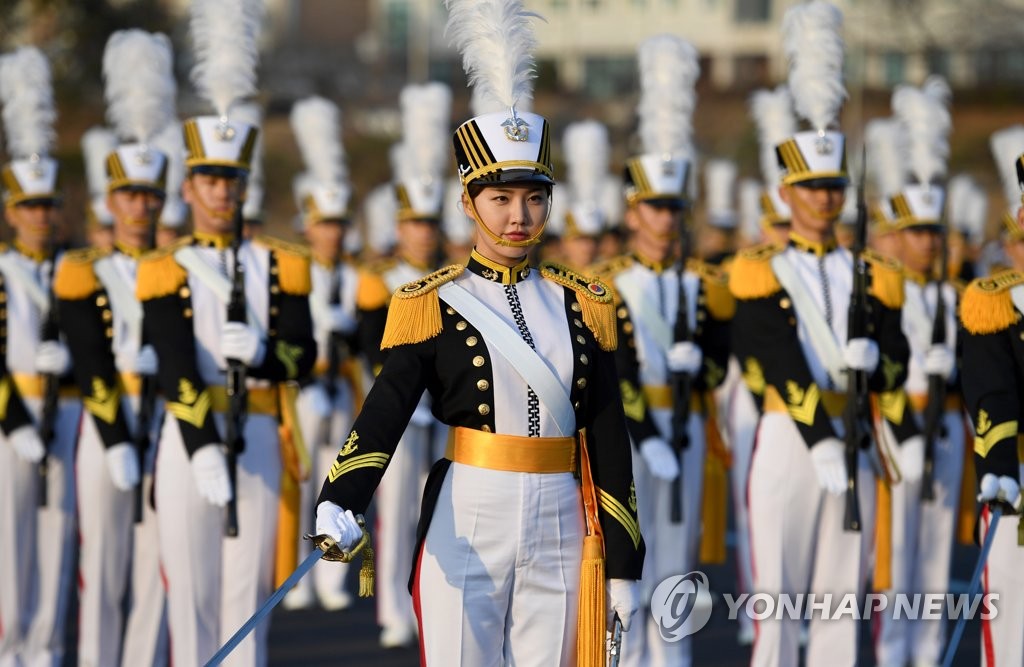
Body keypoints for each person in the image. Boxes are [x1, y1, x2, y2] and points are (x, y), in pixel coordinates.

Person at [314, 1, 643, 663]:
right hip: (468, 512)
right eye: (500, 198)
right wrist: (340, 495)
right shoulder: (432, 302)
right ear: (468, 202)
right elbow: (389, 406)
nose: (519, 215)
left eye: (533, 197)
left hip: (561, 516)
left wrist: (625, 559)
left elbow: (608, 430)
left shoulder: (585, 303)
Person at [728, 3, 913, 665]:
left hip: (856, 433)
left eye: (833, 186)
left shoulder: (875, 271)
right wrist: (820, 437)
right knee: (776, 593)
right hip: (791, 432)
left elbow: (897, 353)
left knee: (843, 592)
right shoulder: (756, 269)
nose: (825, 199)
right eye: (811, 188)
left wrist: (881, 364)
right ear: (786, 193)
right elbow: (769, 352)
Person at [137, 2, 316, 663]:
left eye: (231, 179)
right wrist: (202, 443)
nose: (221, 191)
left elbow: (305, 354)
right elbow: (172, 360)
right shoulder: (163, 268)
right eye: (210, 178)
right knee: (191, 593)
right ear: (189, 185)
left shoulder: (282, 261)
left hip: (263, 429)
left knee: (249, 595)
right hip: (192, 438)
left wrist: (268, 355)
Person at [592, 33, 732, 667]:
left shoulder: (704, 283)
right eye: (656, 207)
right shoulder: (605, 282)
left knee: (676, 551)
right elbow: (603, 367)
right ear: (633, 210)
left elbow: (723, 359)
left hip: (687, 423)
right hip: (627, 428)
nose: (667, 220)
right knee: (626, 548)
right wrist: (642, 429)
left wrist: (697, 364)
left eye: (675, 207)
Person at [55, 30, 175, 667]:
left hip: (164, 422)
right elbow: (88, 355)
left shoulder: (175, 265)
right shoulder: (82, 268)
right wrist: (115, 435)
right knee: (100, 566)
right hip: (105, 425)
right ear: (110, 200)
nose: (139, 206)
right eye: (129, 195)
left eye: (150, 196)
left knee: (159, 564)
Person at [871, 78, 962, 667]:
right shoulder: (883, 293)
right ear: (897, 236)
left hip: (947, 428)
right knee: (898, 549)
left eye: (933, 232)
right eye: (916, 233)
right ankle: (893, 652)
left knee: (935, 555)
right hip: (899, 427)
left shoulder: (959, 297)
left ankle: (927, 653)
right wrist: (905, 415)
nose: (927, 243)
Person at [0, 46, 83, 667]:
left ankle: (49, 644)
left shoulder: (72, 271)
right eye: (29, 207)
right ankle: (11, 646)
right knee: (10, 539)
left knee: (58, 535)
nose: (39, 217)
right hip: (12, 419)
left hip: (69, 408)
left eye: (47, 207)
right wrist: (14, 420)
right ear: (11, 212)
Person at [283, 95, 378, 613]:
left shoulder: (355, 274)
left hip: (340, 385)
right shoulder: (295, 271)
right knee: (300, 479)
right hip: (302, 390)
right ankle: (295, 574)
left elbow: (370, 339)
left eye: (339, 223)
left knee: (334, 480)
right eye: (325, 223)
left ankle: (330, 575)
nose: (332, 232)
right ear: (308, 225)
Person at [959, 149, 1024, 667]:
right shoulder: (997, 300)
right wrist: (1000, 465)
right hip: (1018, 476)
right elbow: (992, 389)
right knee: (1012, 632)